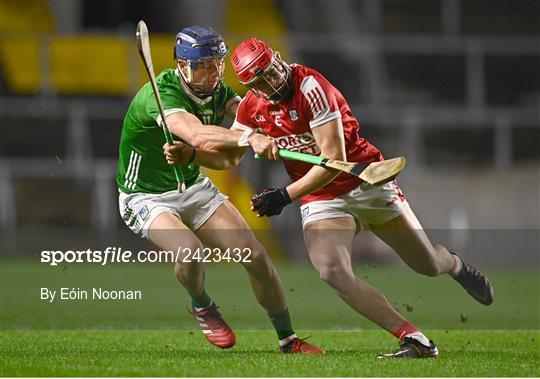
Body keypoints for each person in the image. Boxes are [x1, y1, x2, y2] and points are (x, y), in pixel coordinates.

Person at [226, 37, 494, 358]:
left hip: (363, 181)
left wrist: (284, 196)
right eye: (259, 81)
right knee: (331, 270)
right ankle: (414, 339)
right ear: (250, 87)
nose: (271, 82)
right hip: (320, 196)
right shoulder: (251, 107)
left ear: (279, 59)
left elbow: (331, 159)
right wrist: (194, 148)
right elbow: (228, 153)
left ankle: (454, 264)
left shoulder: (311, 87)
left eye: (271, 71)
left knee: (427, 265)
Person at [117, 26, 323, 354]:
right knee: (189, 252)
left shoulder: (222, 94)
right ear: (183, 66)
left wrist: (288, 133)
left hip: (194, 187)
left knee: (255, 256)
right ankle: (202, 306)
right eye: (205, 65)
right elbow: (197, 134)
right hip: (145, 194)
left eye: (218, 63)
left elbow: (229, 157)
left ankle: (288, 339)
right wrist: (249, 137)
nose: (214, 73)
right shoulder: (162, 93)